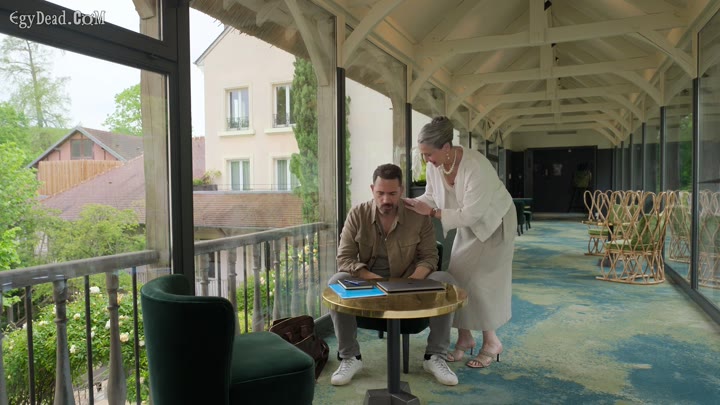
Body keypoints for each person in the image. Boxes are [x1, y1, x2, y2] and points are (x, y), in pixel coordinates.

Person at [328, 163, 459, 386]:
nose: (386, 199)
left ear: (402, 190)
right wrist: (375, 280)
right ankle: (350, 357)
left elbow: (430, 257)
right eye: (380, 193)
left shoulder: (418, 216)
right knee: (336, 282)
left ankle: (435, 356)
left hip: (410, 281)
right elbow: (345, 258)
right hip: (369, 282)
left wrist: (411, 282)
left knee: (445, 281)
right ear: (372, 189)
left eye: (392, 193)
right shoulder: (357, 214)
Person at [403, 116, 517, 369]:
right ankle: (465, 337)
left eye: (429, 154)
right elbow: (431, 196)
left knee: (483, 283)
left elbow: (472, 214)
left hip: (494, 222)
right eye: (423, 154)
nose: (426, 160)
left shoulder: (476, 166)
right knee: (457, 277)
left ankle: (492, 342)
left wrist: (432, 212)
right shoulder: (435, 166)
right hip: (467, 223)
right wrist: (410, 203)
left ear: (446, 147)